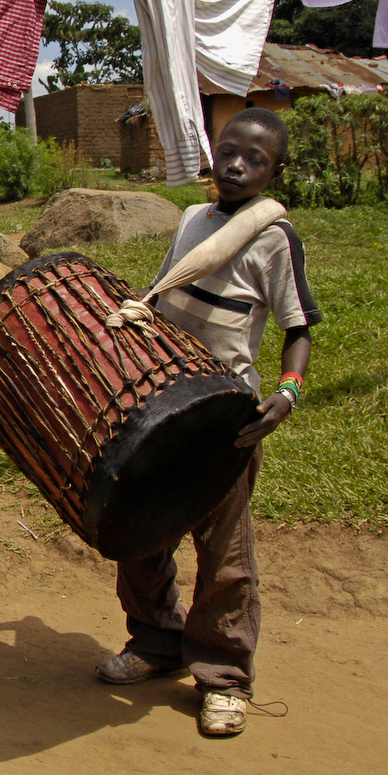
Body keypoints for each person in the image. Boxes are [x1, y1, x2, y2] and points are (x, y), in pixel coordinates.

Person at [95, 107, 322, 737]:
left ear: (274, 171)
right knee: (140, 536)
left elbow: (299, 328)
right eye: (229, 151)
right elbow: (166, 293)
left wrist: (288, 392)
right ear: (213, 151)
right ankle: (156, 643)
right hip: (160, 408)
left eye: (255, 159)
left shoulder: (275, 238)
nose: (237, 165)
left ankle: (224, 678)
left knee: (225, 555)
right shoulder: (193, 219)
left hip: (224, 421)